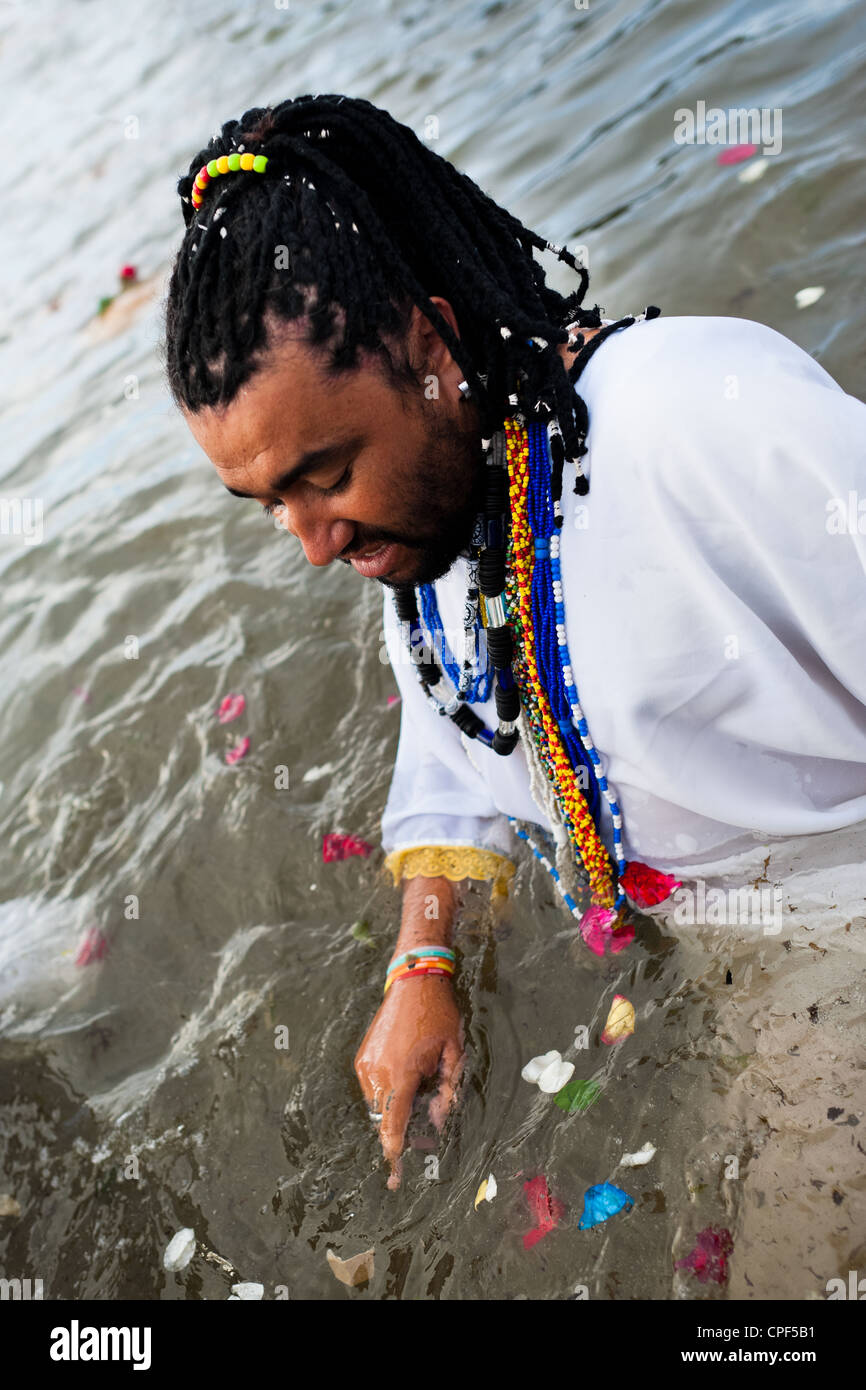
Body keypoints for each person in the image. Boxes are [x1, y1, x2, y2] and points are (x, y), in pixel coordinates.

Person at [165, 93, 866, 1194]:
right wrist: (423, 957)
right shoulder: (432, 533)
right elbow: (452, 746)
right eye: (265, 502)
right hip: (720, 960)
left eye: (324, 475)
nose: (309, 542)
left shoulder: (696, 425)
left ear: (432, 343)